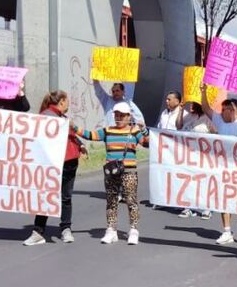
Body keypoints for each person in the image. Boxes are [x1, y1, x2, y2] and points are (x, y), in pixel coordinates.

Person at [75, 102, 150, 245]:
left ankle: (133, 230)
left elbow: (146, 143)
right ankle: (111, 230)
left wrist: (144, 131)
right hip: (111, 172)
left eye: (122, 115)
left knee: (131, 201)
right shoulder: (108, 130)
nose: (119, 117)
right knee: (111, 201)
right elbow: (91, 135)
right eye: (117, 115)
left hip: (129, 171)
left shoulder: (134, 131)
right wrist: (74, 128)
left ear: (129, 116)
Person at [23, 91, 85, 246]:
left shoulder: (59, 118)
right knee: (61, 197)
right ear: (62, 101)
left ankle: (42, 231)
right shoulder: (49, 117)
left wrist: (80, 144)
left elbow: (71, 135)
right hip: (58, 162)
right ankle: (60, 230)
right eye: (67, 100)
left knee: (53, 196)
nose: (68, 103)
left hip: (66, 162)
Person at [209, 96, 237, 247]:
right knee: (223, 200)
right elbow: (206, 109)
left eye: (228, 109)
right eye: (223, 109)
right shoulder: (220, 122)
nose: (224, 112)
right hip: (223, 167)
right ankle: (227, 231)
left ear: (235, 110)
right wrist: (203, 92)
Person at [176, 101, 215, 219]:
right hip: (189, 155)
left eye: (194, 104)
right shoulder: (189, 116)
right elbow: (178, 126)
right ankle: (188, 207)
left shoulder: (208, 118)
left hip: (204, 156)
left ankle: (207, 208)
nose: (191, 106)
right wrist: (181, 110)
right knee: (189, 180)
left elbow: (216, 134)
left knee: (204, 181)